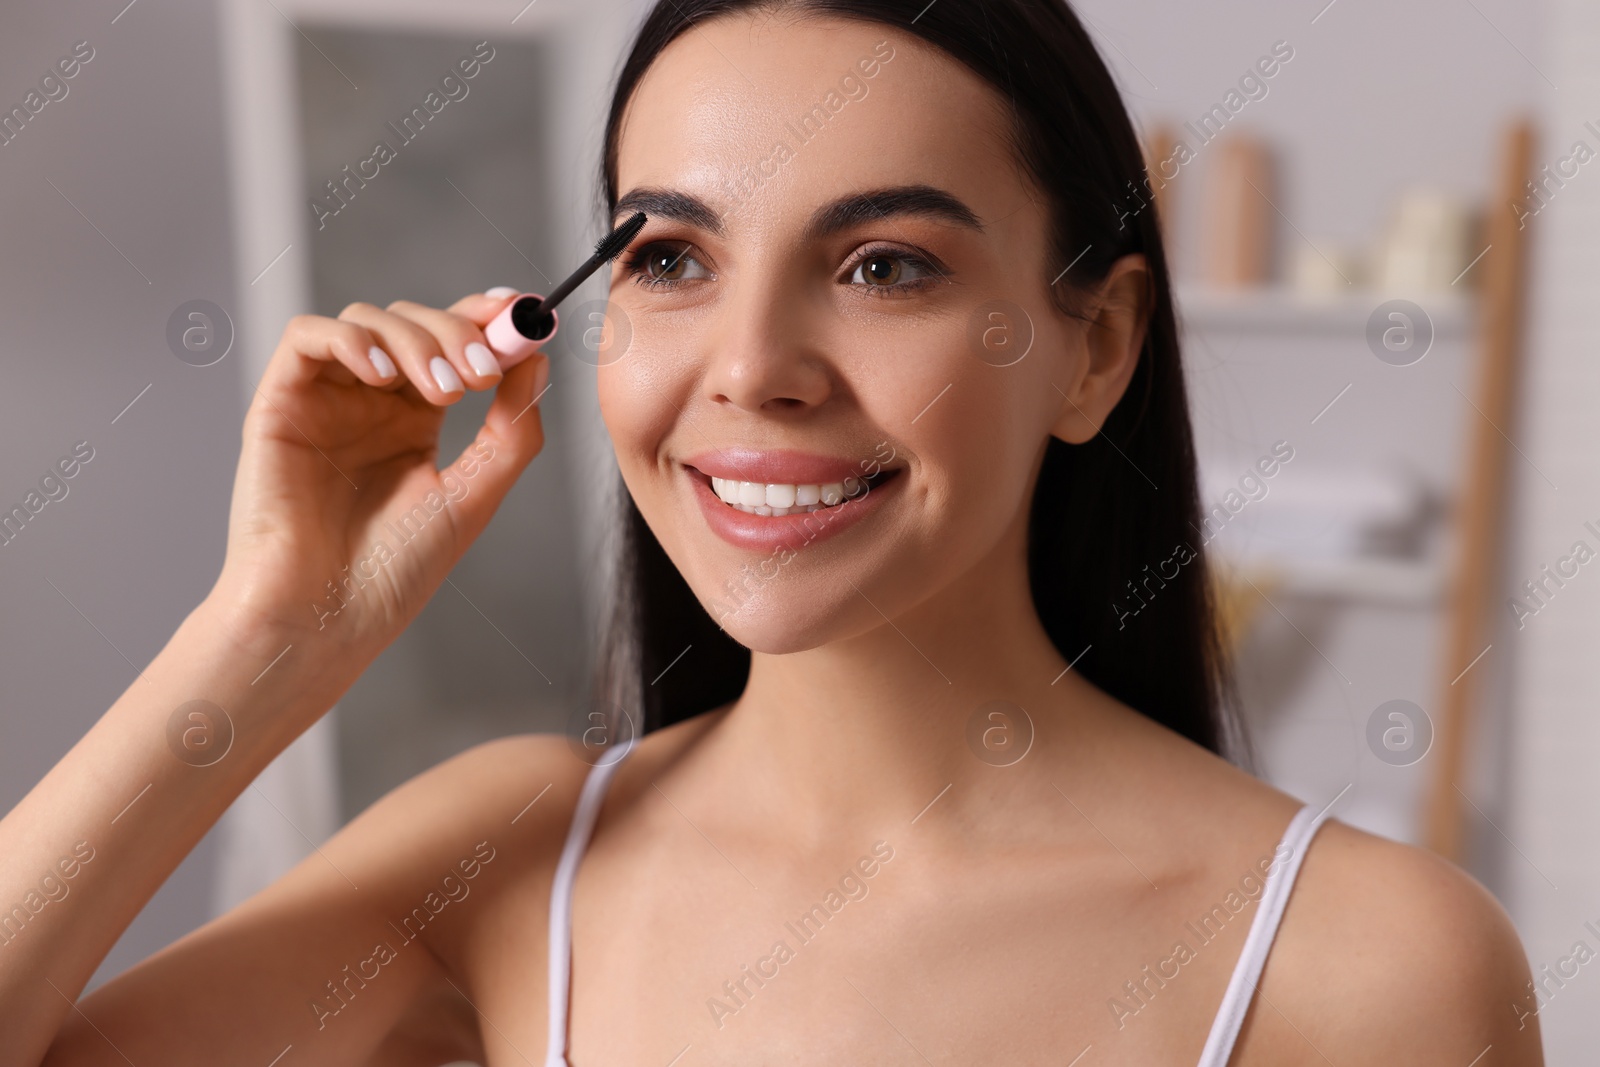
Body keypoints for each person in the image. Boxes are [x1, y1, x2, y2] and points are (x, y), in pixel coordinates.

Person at [2, 1, 1542, 1064]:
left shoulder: (1368, 964)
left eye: (883, 267)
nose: (750, 368)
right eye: (670, 257)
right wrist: (264, 635)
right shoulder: (508, 858)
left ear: (1095, 347)